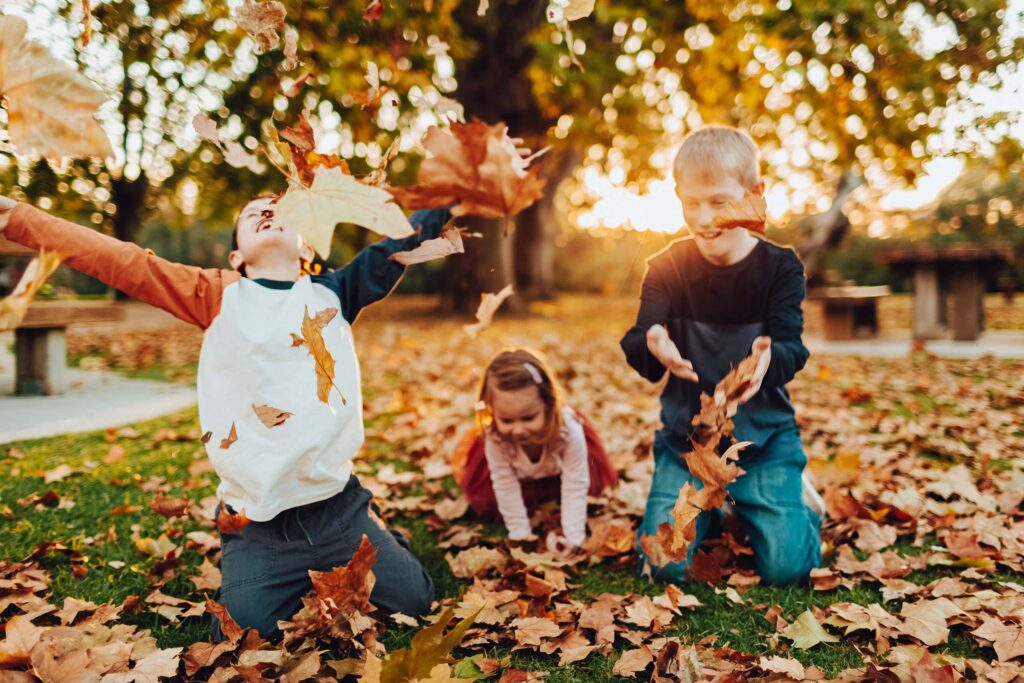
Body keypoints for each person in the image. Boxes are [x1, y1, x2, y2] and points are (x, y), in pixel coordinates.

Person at [0, 192, 445, 640]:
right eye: (254, 213)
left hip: (339, 511)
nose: (269, 213)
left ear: (306, 250)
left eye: (282, 212)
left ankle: (379, 536)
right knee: (240, 634)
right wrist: (21, 219)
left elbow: (400, 242)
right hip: (258, 527)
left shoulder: (335, 291)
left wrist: (453, 196)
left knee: (416, 600)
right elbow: (119, 260)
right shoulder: (216, 295)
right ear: (236, 256)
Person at [620, 125, 823, 585]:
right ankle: (711, 511)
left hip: (764, 444)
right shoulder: (666, 267)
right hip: (686, 447)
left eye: (719, 200)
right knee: (665, 565)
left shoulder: (781, 267)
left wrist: (770, 360)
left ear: (756, 193)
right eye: (690, 202)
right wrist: (652, 341)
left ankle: (794, 505)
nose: (703, 216)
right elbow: (641, 341)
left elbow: (792, 347)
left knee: (789, 568)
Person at [451, 348, 618, 554]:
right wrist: (520, 535)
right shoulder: (495, 437)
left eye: (528, 418)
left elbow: (575, 483)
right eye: (506, 420)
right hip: (519, 477)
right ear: (491, 410)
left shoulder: (568, 430)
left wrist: (574, 538)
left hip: (560, 472)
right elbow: (504, 482)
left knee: (582, 489)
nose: (519, 430)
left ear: (549, 404)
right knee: (491, 499)